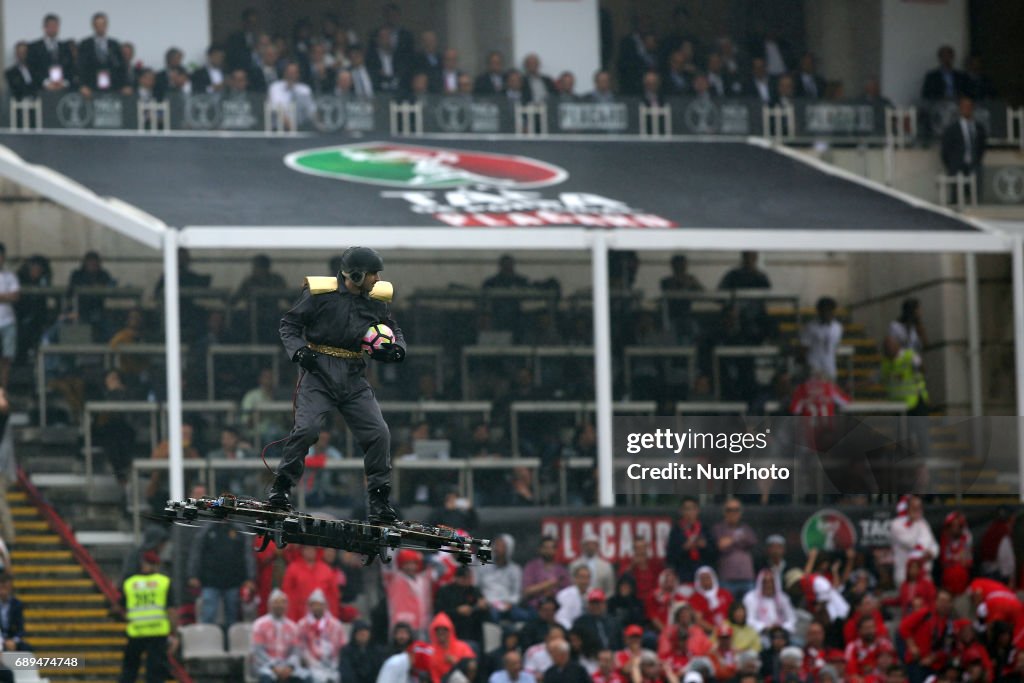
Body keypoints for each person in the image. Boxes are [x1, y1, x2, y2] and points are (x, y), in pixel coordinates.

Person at [271, 246, 405, 523]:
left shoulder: (376, 300)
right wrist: (299, 351)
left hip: (355, 374)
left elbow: (392, 328)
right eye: (372, 274)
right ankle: (281, 488)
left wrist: (396, 348)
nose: (377, 279)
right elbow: (289, 324)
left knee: (379, 433)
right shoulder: (321, 295)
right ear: (356, 275)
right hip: (318, 371)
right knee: (306, 429)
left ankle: (379, 500)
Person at [187, 521, 255, 632]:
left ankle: (231, 645)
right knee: (208, 614)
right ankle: (207, 643)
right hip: (210, 581)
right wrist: (193, 575)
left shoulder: (239, 529)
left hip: (233, 581)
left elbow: (248, 555)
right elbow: (196, 552)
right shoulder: (207, 529)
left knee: (233, 618)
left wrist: (250, 578)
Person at [120, 552, 176, 683]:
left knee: (129, 670)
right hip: (157, 633)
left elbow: (122, 607)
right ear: (157, 565)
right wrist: (174, 633)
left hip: (136, 632)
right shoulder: (163, 582)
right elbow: (171, 611)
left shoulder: (130, 583)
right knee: (155, 673)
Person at [251, 589, 308, 683]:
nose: (279, 605)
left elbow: (296, 652)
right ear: (270, 605)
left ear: (287, 605)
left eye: (282, 603)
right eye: (276, 602)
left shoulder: (293, 627)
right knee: (267, 677)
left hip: (287, 667)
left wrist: (289, 667)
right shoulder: (259, 625)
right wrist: (274, 667)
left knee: (306, 677)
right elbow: (258, 652)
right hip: (266, 666)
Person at [296, 589, 345, 683]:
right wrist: (313, 662)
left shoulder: (335, 624)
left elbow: (341, 646)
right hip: (311, 666)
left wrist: (333, 663)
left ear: (325, 606)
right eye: (314, 605)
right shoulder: (302, 625)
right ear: (310, 606)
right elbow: (301, 648)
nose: (317, 607)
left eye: (320, 604)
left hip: (332, 665)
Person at [282, 546, 341, 623]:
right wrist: (291, 618)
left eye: (313, 549)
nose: (310, 551)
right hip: (299, 616)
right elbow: (287, 594)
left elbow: (333, 596)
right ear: (302, 550)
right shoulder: (293, 568)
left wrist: (333, 618)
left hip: (322, 616)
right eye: (307, 548)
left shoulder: (326, 569)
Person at [712, 499, 757, 599]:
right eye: (729, 510)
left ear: (740, 512)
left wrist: (731, 540)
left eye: (736, 510)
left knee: (749, 608)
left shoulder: (746, 528)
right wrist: (739, 538)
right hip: (727, 579)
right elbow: (721, 545)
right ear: (724, 512)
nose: (733, 513)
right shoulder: (718, 528)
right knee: (728, 607)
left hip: (747, 578)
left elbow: (752, 541)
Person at [436, 565, 489, 647]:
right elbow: (439, 612)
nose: (467, 580)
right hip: (453, 629)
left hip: (473, 631)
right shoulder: (445, 591)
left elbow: (484, 608)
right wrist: (457, 611)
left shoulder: (474, 591)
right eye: (464, 578)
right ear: (456, 578)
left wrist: (483, 606)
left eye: (469, 577)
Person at [476, 534, 525, 622]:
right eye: (496, 545)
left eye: (501, 546)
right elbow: (477, 586)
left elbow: (517, 593)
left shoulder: (515, 569)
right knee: (492, 615)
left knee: (526, 616)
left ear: (509, 549)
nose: (497, 548)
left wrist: (510, 603)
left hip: (507, 604)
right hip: (488, 604)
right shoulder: (483, 565)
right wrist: (481, 599)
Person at [665, 498, 714, 584]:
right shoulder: (676, 531)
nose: (689, 512)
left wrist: (705, 546)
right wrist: (684, 548)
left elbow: (714, 553)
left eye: (692, 509)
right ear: (681, 511)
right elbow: (670, 557)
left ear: (697, 511)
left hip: (703, 576)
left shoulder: (705, 529)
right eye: (686, 509)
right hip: (684, 574)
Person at [78, 12, 126, 95]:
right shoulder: (85, 44)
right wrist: (82, 85)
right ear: (93, 26)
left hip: (112, 87)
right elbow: (80, 66)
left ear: (106, 25)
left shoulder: (114, 44)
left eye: (102, 24)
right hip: (91, 88)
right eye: (97, 24)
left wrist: (125, 85)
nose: (100, 27)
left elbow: (121, 66)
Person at [940, 96, 986, 179]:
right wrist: (952, 165)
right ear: (960, 108)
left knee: (974, 190)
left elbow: (981, 147)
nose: (967, 109)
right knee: (957, 190)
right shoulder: (952, 129)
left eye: (969, 106)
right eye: (964, 107)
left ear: (972, 108)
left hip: (974, 167)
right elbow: (945, 151)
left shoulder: (979, 128)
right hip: (957, 168)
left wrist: (976, 161)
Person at [28, 13, 75, 91]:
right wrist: (46, 83)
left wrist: (64, 82)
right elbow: (32, 69)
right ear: (44, 28)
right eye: (51, 26)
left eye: (55, 26)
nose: (53, 29)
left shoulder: (65, 47)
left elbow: (70, 67)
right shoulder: (34, 47)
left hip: (63, 88)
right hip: (42, 89)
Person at [800, 297, 843, 380]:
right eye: (824, 311)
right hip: (814, 367)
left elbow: (834, 346)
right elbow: (804, 347)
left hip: (830, 367)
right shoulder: (810, 327)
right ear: (819, 312)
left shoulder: (838, 327)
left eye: (829, 310)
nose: (827, 313)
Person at [523, 537, 571, 610]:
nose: (548, 550)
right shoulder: (531, 567)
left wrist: (553, 594)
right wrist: (549, 584)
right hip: (535, 607)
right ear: (540, 549)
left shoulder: (561, 570)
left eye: (551, 548)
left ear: (555, 550)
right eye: (546, 548)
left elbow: (568, 593)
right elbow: (526, 592)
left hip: (556, 608)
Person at [428, 612, 476, 683]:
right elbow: (433, 675)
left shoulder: (462, 646)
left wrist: (455, 662)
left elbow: (471, 665)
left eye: (444, 629)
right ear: (434, 632)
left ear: (450, 631)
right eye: (438, 630)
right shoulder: (431, 650)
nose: (441, 632)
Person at [570, 531, 615, 598]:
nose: (590, 547)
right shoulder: (574, 565)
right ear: (583, 546)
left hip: (599, 603)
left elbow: (610, 590)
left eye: (593, 544)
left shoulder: (606, 566)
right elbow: (571, 586)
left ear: (597, 546)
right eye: (587, 544)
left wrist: (602, 600)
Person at [0, 246, 19, 389]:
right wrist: (5, 297)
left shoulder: (10, 276)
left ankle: (3, 390)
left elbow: (15, 296)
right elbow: (10, 296)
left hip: (7, 322)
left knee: (7, 358)